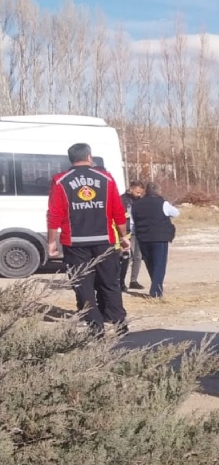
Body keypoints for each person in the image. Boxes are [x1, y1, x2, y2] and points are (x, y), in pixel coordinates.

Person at [46, 142, 129, 335]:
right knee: (110, 282)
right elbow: (118, 210)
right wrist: (124, 236)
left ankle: (95, 326)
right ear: (89, 157)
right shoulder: (106, 178)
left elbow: (54, 214)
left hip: (75, 242)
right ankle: (119, 323)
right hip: (104, 240)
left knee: (82, 284)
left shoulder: (60, 180)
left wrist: (51, 242)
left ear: (71, 159)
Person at [131, 181, 179, 298]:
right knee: (159, 264)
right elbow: (176, 213)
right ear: (158, 191)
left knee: (150, 263)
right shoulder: (162, 203)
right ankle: (156, 291)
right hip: (159, 237)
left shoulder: (136, 204)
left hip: (143, 237)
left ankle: (156, 286)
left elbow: (133, 222)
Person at [121, 180, 146, 290]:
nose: (139, 195)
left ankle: (133, 280)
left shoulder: (140, 201)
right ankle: (121, 281)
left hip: (138, 232)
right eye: (137, 192)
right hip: (126, 232)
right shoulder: (122, 200)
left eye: (141, 193)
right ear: (131, 189)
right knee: (126, 257)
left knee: (138, 257)